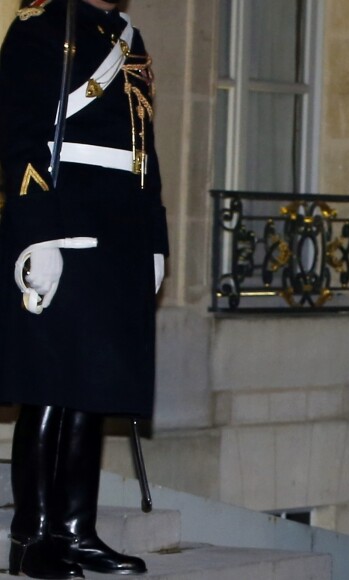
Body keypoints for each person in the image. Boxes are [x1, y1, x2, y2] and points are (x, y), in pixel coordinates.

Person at [0, 0, 169, 577]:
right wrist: (37, 233)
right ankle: (33, 535)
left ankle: (75, 528)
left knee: (94, 388)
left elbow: (145, 147)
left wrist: (155, 239)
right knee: (51, 385)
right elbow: (21, 133)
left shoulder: (128, 35)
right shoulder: (41, 25)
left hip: (120, 229)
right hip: (64, 220)